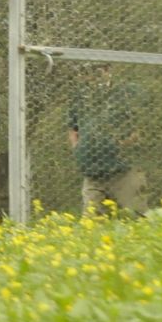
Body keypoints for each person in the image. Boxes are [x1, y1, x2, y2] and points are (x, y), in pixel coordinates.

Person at [66, 64, 147, 214]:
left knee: (134, 217)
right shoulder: (80, 95)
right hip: (92, 171)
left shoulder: (128, 92)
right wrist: (78, 148)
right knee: (91, 221)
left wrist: (123, 143)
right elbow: (73, 128)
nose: (91, 76)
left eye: (97, 70)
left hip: (124, 169)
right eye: (87, 72)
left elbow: (143, 123)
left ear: (108, 70)